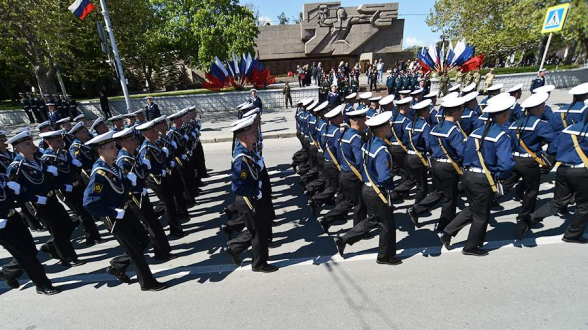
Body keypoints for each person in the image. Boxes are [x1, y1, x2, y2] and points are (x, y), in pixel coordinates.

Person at [83, 131, 167, 291]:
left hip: (125, 211)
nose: (116, 149)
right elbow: (90, 203)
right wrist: (114, 212)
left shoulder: (113, 166)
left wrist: (131, 184)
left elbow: (120, 189)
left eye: (114, 146)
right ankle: (147, 283)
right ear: (101, 151)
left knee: (143, 239)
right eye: (111, 147)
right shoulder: (99, 174)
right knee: (135, 251)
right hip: (114, 217)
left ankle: (118, 266)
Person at [439, 96, 516, 256]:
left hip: (468, 176)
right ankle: (471, 247)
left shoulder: (476, 133)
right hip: (484, 179)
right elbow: (506, 165)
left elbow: (465, 152)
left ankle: (447, 231)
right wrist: (499, 176)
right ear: (504, 115)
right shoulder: (502, 136)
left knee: (474, 208)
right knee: (481, 215)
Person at [7, 130, 85, 266]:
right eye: (27, 144)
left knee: (68, 224)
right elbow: (16, 191)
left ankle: (51, 246)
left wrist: (60, 184)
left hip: (51, 199)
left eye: (31, 142)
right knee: (57, 230)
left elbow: (48, 182)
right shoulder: (16, 167)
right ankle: (69, 258)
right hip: (37, 204)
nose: (32, 146)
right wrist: (35, 198)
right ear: (17, 148)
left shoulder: (39, 161)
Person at [335, 110, 401, 265]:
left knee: (373, 220)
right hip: (377, 190)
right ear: (382, 129)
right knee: (387, 225)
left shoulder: (369, 144)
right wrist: (391, 185)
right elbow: (384, 176)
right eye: (388, 126)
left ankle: (344, 240)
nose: (390, 128)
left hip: (367, 188)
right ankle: (384, 256)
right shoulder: (381, 149)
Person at [225, 116, 279, 273]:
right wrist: (256, 191)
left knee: (256, 230)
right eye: (252, 131)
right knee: (258, 232)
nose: (255, 133)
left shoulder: (248, 152)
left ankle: (234, 248)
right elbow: (237, 187)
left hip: (253, 197)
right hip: (248, 200)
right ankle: (258, 264)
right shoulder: (241, 159)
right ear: (244, 137)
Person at [407, 95, 467, 231]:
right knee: (450, 197)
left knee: (439, 192)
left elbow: (430, 146)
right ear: (456, 112)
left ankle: (416, 209)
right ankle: (444, 226)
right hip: (448, 166)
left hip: (435, 164)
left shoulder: (435, 128)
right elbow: (461, 151)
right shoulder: (453, 130)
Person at [114, 127, 175, 261]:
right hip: (134, 197)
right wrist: (133, 185)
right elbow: (122, 184)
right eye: (131, 139)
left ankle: (164, 251)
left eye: (134, 138)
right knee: (150, 224)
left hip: (141, 193)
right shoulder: (123, 160)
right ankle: (160, 253)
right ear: (123, 143)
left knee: (153, 223)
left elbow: (141, 173)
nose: (135, 141)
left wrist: (145, 171)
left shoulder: (132, 154)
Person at [502, 92, 556, 239]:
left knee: (505, 186)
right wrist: (546, 157)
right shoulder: (539, 124)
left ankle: (484, 205)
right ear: (538, 109)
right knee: (531, 191)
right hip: (530, 162)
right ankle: (523, 220)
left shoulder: (515, 123)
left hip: (514, 159)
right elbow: (554, 143)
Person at [0, 172, 61, 295]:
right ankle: (42, 284)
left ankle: (7, 272)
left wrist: (18, 192)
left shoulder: (1, 176)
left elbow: (13, 197)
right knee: (26, 256)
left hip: (13, 218)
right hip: (1, 227)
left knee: (32, 250)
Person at [320, 108, 368, 232]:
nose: (366, 122)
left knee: (348, 202)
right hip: (353, 175)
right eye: (364, 120)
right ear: (357, 121)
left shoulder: (345, 134)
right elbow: (360, 160)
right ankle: (359, 230)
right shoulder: (355, 137)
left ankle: (327, 219)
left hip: (344, 173)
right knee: (359, 204)